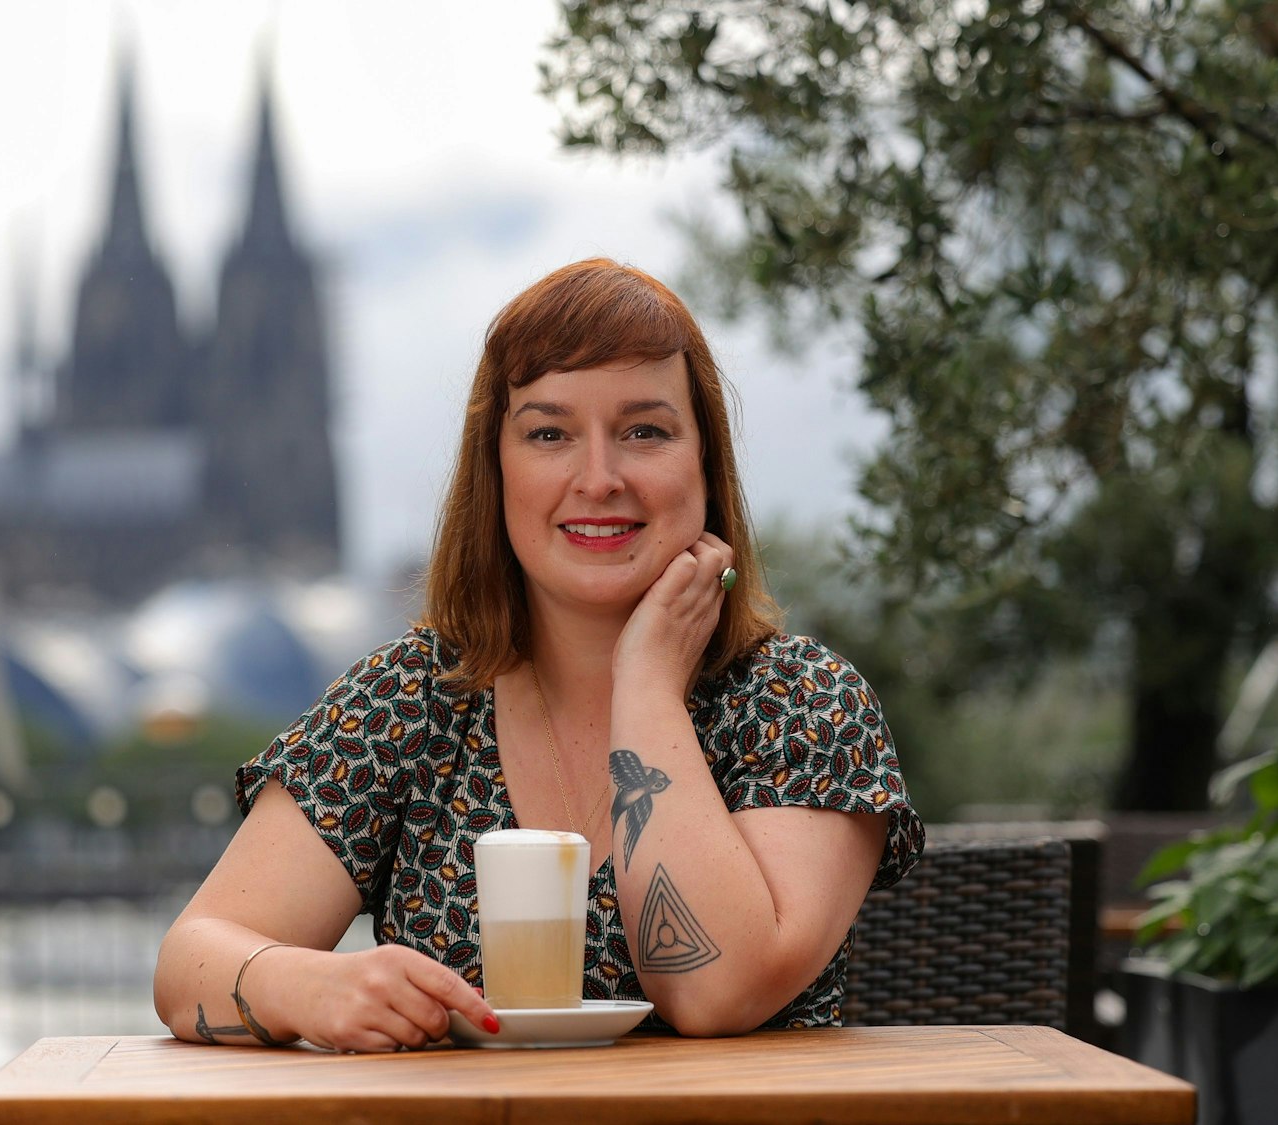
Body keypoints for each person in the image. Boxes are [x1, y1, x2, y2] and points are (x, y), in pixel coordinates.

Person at [153, 258, 922, 1051]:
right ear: (497, 467)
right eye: (549, 433)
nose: (598, 478)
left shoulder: (802, 701)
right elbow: (189, 962)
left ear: (705, 464)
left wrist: (648, 685)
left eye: (644, 431)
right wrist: (310, 984)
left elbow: (713, 990)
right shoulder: (418, 697)